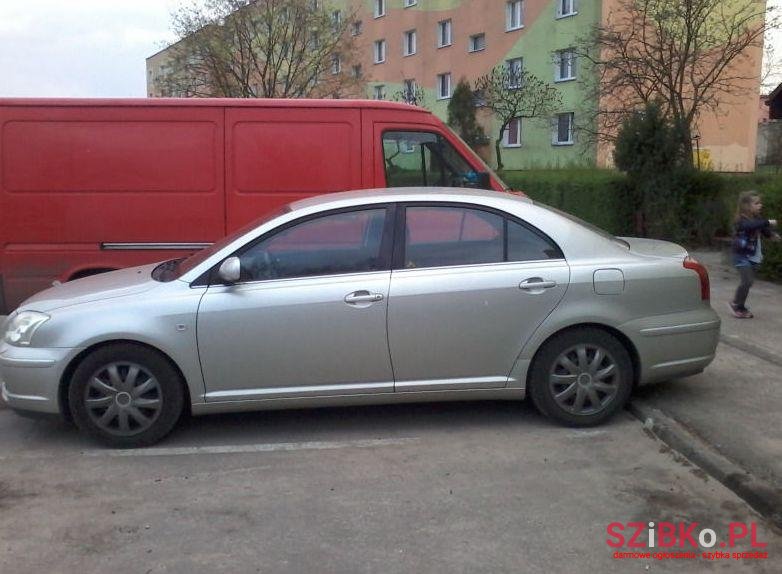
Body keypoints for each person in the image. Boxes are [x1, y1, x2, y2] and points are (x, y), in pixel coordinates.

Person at [729, 191, 779, 318]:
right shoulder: (741, 220)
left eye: (760, 203)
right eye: (756, 203)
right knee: (747, 281)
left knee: (748, 282)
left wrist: (772, 235)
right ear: (746, 206)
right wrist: (768, 222)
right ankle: (736, 304)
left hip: (752, 255)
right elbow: (750, 226)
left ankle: (739, 305)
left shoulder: (757, 219)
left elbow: (763, 229)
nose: (760, 205)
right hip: (740, 255)